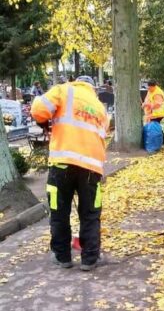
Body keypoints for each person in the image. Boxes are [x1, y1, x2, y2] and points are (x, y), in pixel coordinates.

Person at [31, 75, 109, 271]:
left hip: (62, 165)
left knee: (59, 212)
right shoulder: (100, 107)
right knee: (90, 213)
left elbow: (38, 111)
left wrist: (47, 122)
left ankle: (62, 256)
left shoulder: (64, 90)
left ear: (77, 81)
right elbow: (101, 135)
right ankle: (90, 258)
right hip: (91, 168)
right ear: (93, 88)